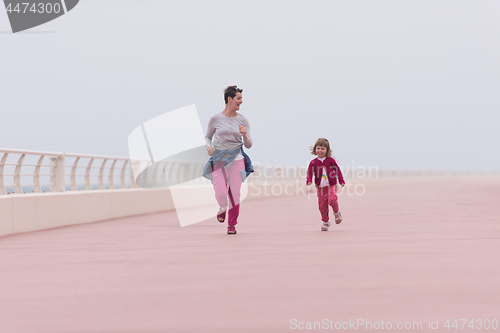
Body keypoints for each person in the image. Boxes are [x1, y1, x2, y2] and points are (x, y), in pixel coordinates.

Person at [204, 85, 252, 235]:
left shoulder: (243, 120)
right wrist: (208, 147)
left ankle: (232, 225)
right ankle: (222, 207)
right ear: (230, 99)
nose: (241, 101)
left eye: (241, 99)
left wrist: (244, 136)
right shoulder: (215, 118)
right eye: (238, 98)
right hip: (218, 158)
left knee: (235, 194)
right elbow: (208, 136)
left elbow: (249, 145)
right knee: (220, 192)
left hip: (237, 159)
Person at [306, 138, 345, 231]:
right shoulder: (313, 162)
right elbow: (309, 172)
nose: (320, 150)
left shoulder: (330, 160)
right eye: (318, 148)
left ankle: (336, 213)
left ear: (327, 150)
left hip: (331, 185)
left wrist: (341, 180)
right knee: (322, 205)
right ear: (315, 149)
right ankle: (325, 222)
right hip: (320, 187)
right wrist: (309, 180)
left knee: (332, 199)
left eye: (323, 149)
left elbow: (337, 170)